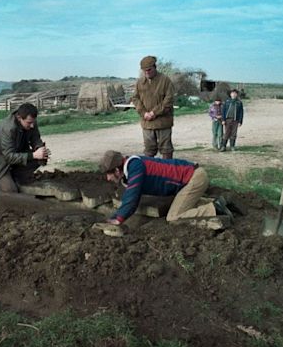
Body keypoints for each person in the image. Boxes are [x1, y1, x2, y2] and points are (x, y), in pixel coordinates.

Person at [99, 150, 233, 225]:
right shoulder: (131, 168)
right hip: (190, 179)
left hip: (194, 178)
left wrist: (118, 219)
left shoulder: (135, 167)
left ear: (117, 170)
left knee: (174, 217)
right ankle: (219, 202)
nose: (108, 179)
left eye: (108, 174)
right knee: (182, 204)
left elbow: (132, 197)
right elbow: (132, 197)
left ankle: (214, 208)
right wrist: (115, 216)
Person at [0, 103, 50, 192]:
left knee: (41, 158)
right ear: (19, 118)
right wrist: (34, 155)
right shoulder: (8, 128)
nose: (32, 126)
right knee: (11, 190)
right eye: (29, 123)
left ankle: (14, 176)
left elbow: (35, 138)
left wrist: (40, 149)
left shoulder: (31, 121)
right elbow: (8, 157)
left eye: (33, 122)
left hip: (15, 153)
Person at [131, 55, 176, 159]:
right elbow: (135, 98)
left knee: (166, 150)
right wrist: (144, 113)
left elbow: (168, 100)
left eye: (149, 70)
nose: (147, 72)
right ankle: (151, 172)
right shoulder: (140, 82)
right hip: (147, 123)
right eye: (144, 71)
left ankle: (167, 172)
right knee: (149, 151)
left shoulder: (165, 80)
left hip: (163, 122)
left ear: (155, 67)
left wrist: (154, 113)